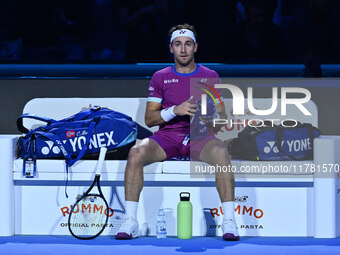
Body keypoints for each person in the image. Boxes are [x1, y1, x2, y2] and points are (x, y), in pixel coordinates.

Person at [115, 24, 239, 241]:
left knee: (221, 153)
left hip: (200, 137)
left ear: (196, 47)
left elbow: (222, 117)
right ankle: (130, 221)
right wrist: (176, 110)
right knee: (136, 153)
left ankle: (229, 221)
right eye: (178, 44)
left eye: (188, 44)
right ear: (171, 48)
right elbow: (150, 119)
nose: (183, 50)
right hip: (167, 138)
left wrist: (206, 116)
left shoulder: (210, 75)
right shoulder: (160, 77)